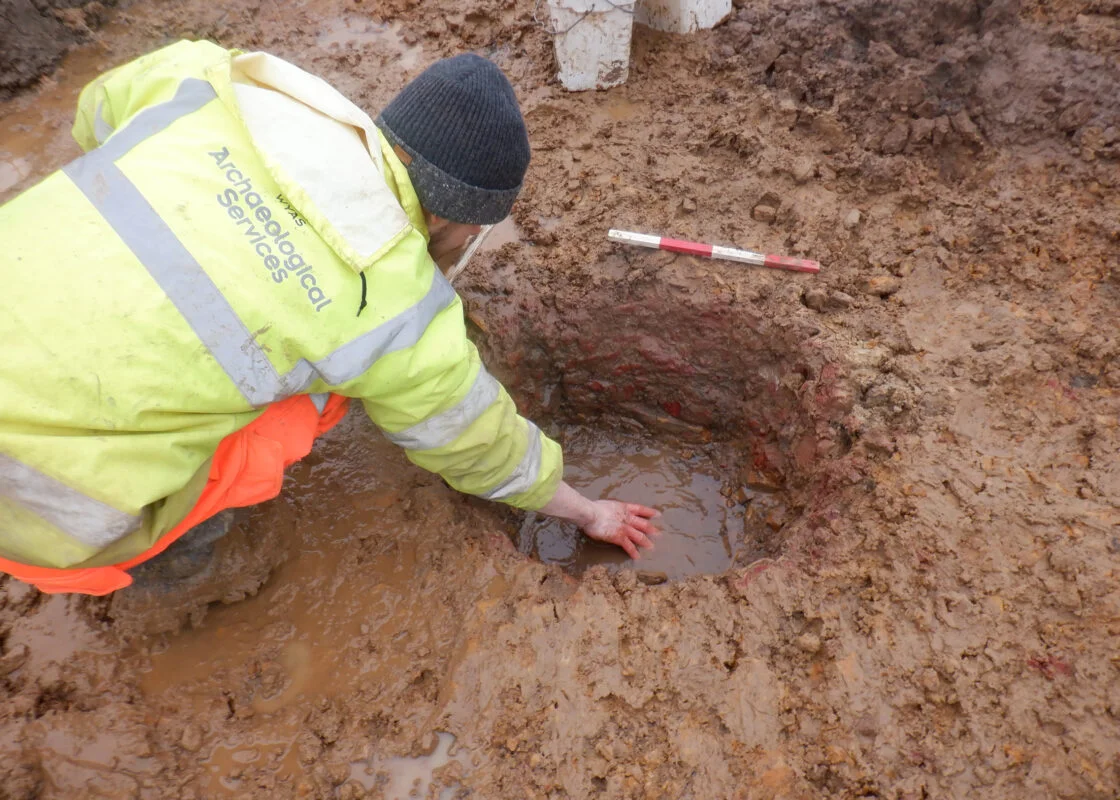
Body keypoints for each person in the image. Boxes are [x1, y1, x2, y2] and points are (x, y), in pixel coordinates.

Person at [0, 40, 660, 596]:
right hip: (37, 498)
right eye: (471, 236)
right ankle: (172, 572)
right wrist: (587, 510)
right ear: (456, 219)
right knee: (312, 401)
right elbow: (479, 441)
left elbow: (97, 114)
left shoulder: (218, 78)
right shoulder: (396, 302)